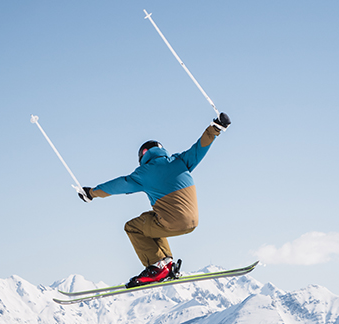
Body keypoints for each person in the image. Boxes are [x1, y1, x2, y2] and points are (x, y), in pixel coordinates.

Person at [79, 112, 231, 287]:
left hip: (172, 222)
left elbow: (118, 185)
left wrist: (91, 193)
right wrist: (216, 127)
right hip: (193, 222)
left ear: (142, 156)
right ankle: (166, 264)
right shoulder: (180, 161)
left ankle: (157, 267)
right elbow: (200, 147)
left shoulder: (143, 173)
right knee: (151, 219)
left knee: (132, 227)